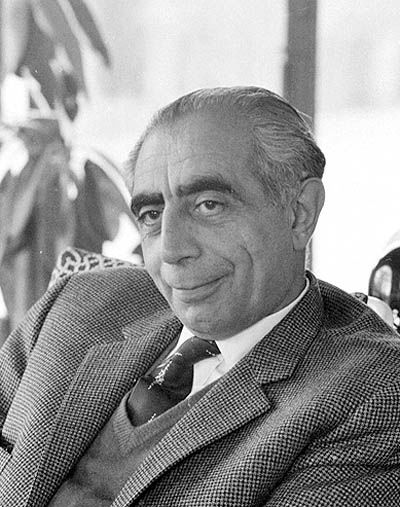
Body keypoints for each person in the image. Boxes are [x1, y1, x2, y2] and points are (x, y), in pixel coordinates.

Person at [1, 87, 400, 506]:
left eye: (209, 205)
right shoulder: (78, 306)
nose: (171, 250)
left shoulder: (373, 394)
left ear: (300, 212)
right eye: (152, 215)